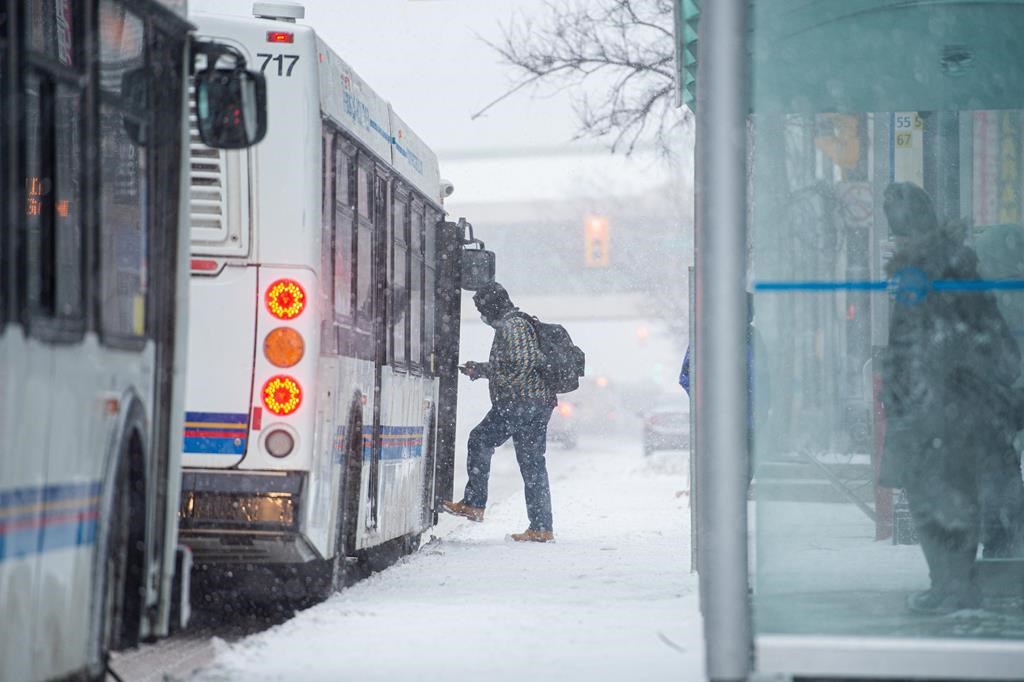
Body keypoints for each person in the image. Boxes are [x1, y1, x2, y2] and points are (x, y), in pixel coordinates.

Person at [879, 181, 1024, 615]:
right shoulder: (929, 268)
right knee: (934, 497)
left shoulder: (937, 269)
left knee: (943, 498)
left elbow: (952, 339)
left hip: (947, 410)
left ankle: (955, 586)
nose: (897, 236)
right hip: (937, 407)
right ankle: (949, 584)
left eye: (901, 226)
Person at [441, 282, 558, 542]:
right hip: (537, 403)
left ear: (492, 305)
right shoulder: (515, 323)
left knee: (480, 439)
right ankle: (541, 527)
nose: (482, 314)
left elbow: (523, 363)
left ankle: (474, 503)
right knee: (532, 465)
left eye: (482, 307)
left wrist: (504, 384)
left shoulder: (512, 325)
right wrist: (481, 370)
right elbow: (515, 363)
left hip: (520, 402)